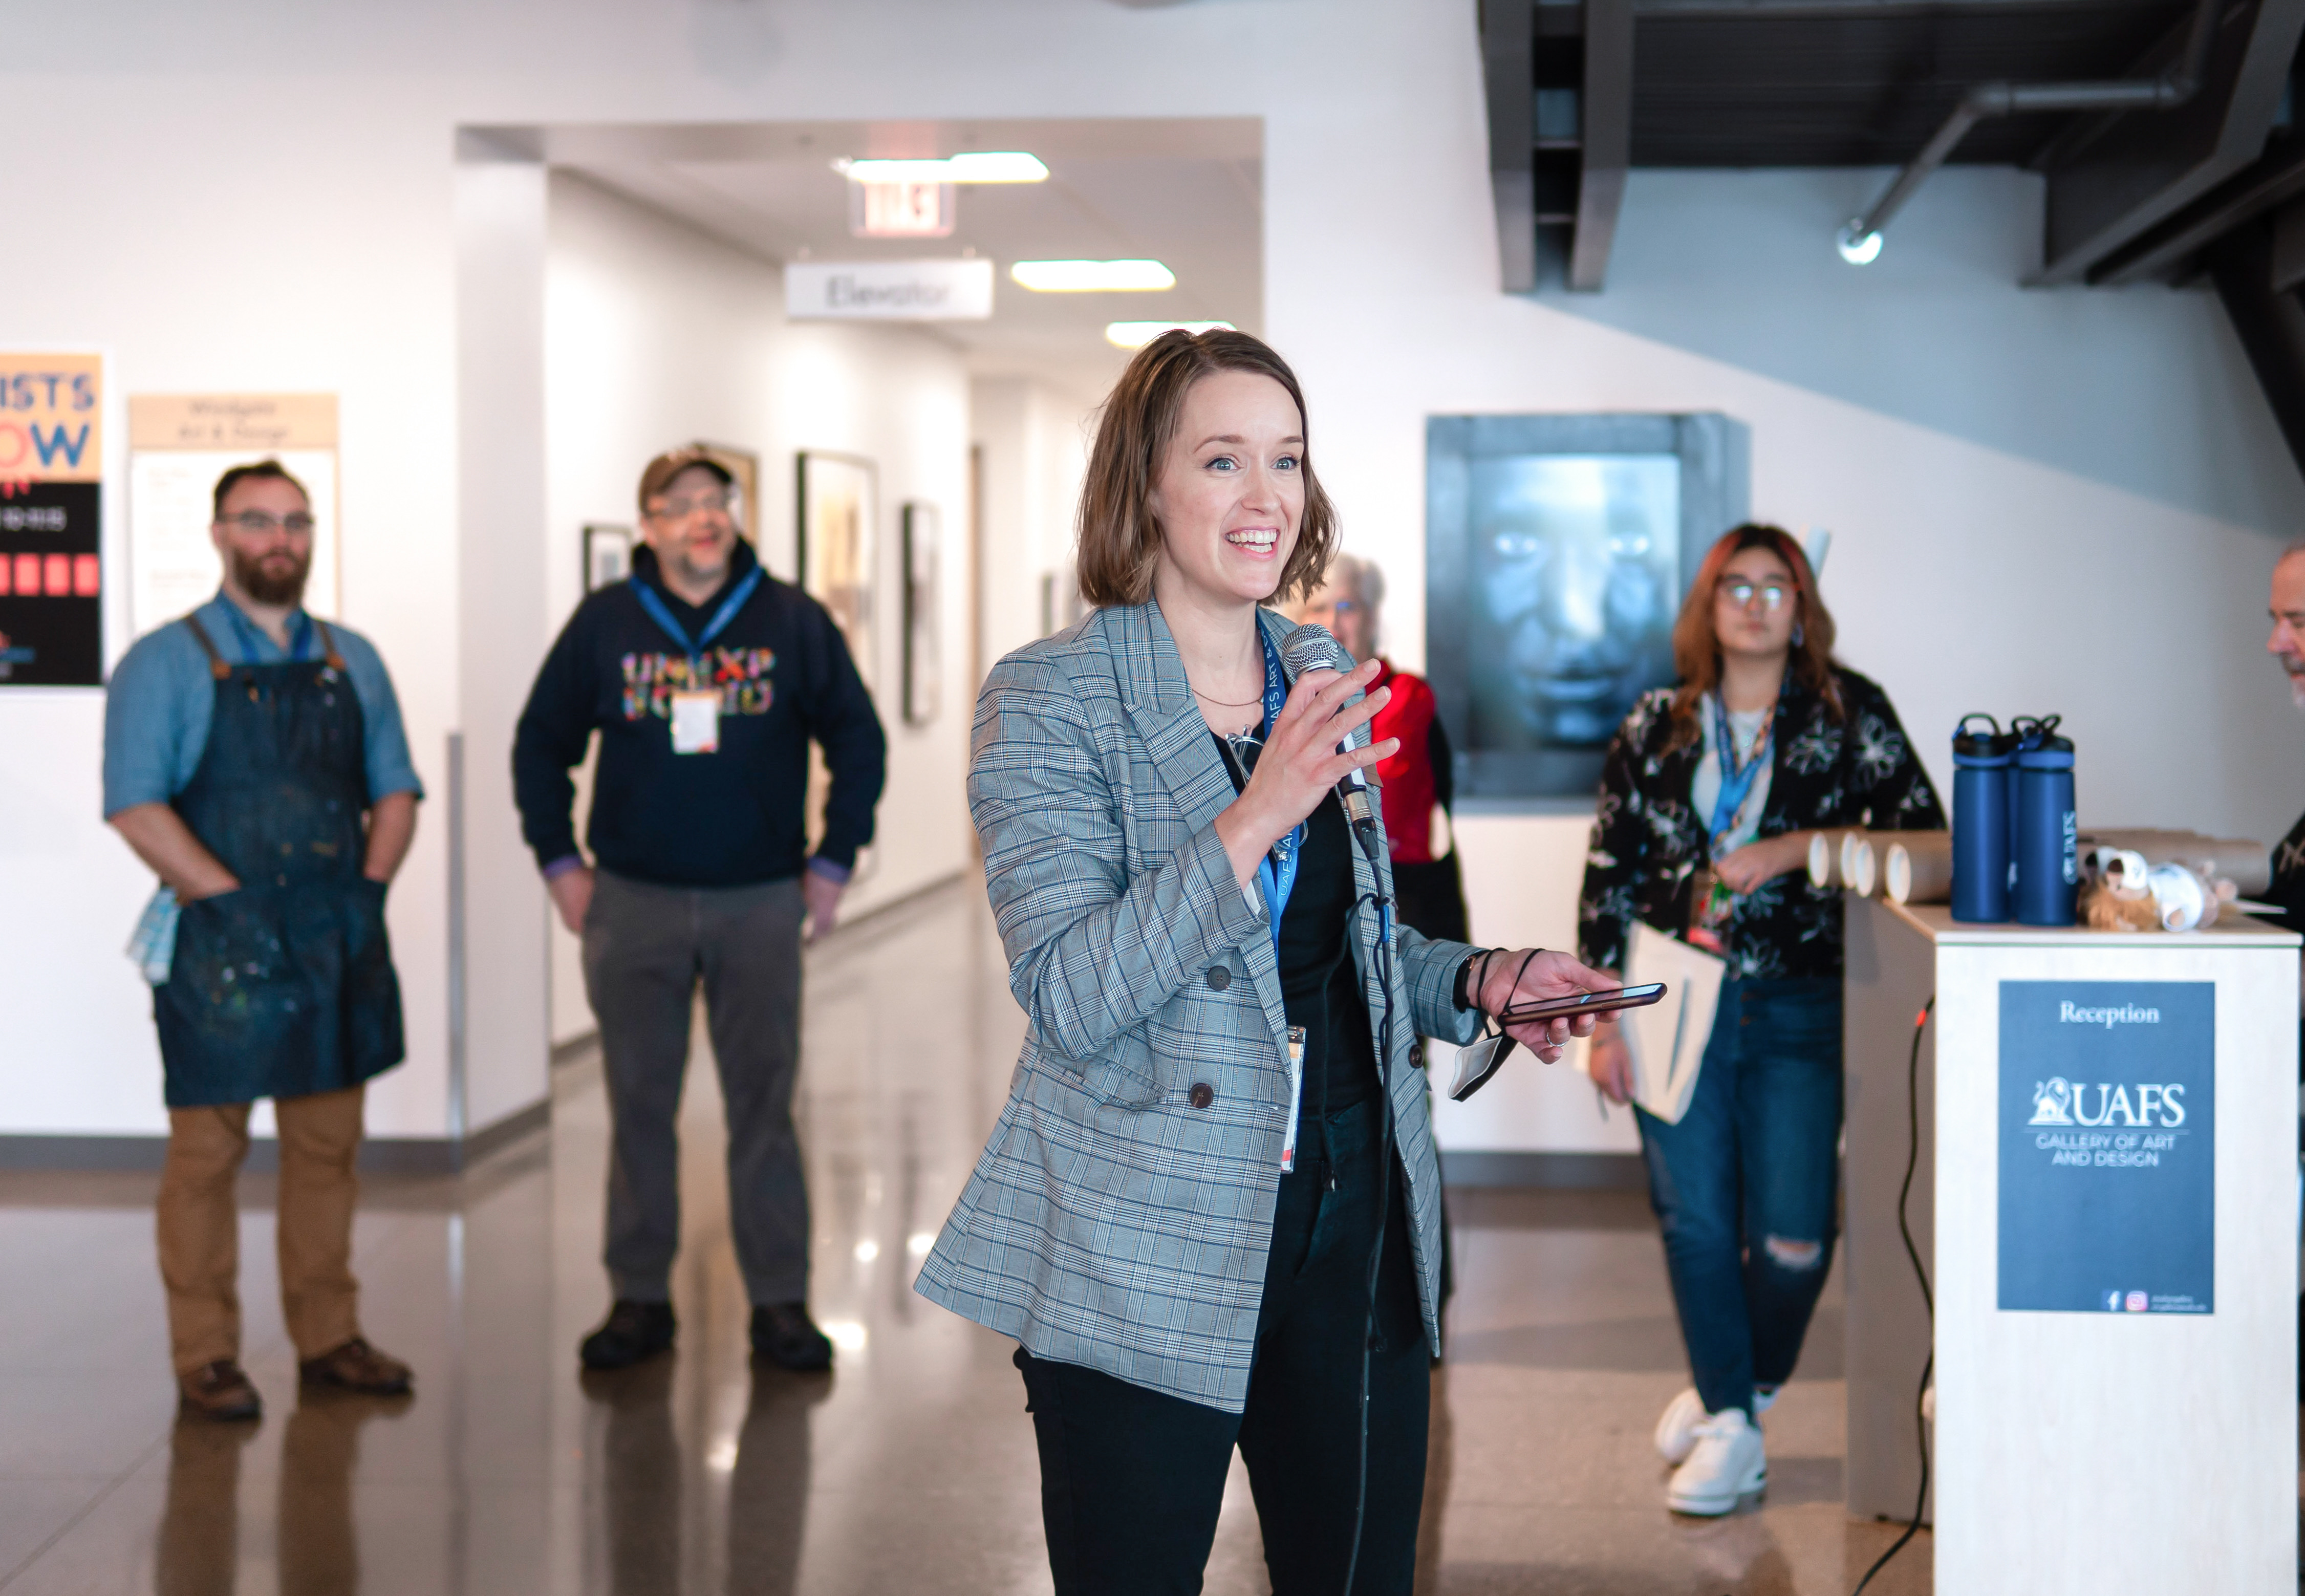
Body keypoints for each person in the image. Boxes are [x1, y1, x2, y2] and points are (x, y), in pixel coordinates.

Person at [914, 329, 1620, 1594]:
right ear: (1145, 486)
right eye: (1223, 458)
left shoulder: (1309, 669)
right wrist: (1252, 816)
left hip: (1349, 1229)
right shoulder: (1049, 698)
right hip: (1144, 1243)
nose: (1264, 498)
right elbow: (1072, 991)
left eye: (1284, 460)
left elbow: (1339, 947)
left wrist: (1478, 979)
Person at [1578, 523, 1942, 1516]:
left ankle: (1730, 1388)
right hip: (1664, 992)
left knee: (1792, 1240)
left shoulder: (1844, 710)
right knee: (1694, 1221)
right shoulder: (1654, 722)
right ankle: (1735, 1429)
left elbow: (1926, 835)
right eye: (1731, 586)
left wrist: (1792, 850)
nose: (1750, 603)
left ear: (1799, 602)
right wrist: (1602, 1023)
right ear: (1705, 605)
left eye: (1771, 585)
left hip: (1797, 1004)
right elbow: (1606, 876)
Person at [513, 446, 886, 1373]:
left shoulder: (790, 617)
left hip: (758, 901)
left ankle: (779, 1302)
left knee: (765, 1104)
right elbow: (539, 744)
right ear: (647, 524)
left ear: (732, 510)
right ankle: (639, 1299)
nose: (700, 516)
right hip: (630, 902)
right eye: (676, 504)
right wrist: (561, 862)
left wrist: (834, 858)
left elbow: (857, 735)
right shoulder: (606, 624)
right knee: (639, 1104)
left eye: (713, 499)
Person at [103, 459, 422, 1421]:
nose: (279, 538)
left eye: (294, 520)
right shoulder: (163, 661)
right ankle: (205, 1353)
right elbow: (133, 806)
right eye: (256, 521)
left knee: (329, 1148)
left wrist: (368, 889)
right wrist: (231, 900)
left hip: (337, 934)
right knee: (206, 1155)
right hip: (223, 946)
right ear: (217, 535)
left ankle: (329, 1336)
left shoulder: (352, 658)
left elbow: (395, 788)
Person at [1289, 554, 1467, 943]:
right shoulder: (1282, 706)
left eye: (1347, 607)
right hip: (1316, 901)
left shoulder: (1402, 696)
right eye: (1318, 608)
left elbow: (1379, 797)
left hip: (1400, 896)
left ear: (1371, 618)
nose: (1334, 623)